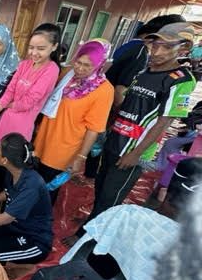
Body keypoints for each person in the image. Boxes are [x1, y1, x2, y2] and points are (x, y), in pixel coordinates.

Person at [82, 22, 197, 227]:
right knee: (100, 188)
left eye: (166, 47)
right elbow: (126, 106)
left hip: (132, 150)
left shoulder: (180, 80)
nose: (157, 52)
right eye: (155, 45)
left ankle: (90, 238)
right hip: (114, 141)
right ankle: (91, 224)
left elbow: (164, 122)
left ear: (184, 48)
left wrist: (136, 154)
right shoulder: (144, 73)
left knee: (111, 197)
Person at [35, 39, 115, 203]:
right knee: (33, 182)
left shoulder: (104, 90)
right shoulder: (68, 75)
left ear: (100, 64)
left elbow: (94, 128)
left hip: (64, 148)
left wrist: (81, 157)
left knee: (46, 192)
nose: (80, 68)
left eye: (87, 65)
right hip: (44, 139)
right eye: (78, 62)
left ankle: (37, 223)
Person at [0, 23, 60, 191]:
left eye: (41, 48)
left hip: (20, 129)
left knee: (10, 173)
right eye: (31, 47)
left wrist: (7, 105)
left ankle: (6, 205)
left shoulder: (51, 69)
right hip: (4, 123)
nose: (34, 53)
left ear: (54, 47)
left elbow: (29, 102)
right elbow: (9, 91)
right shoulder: (24, 64)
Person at [0, 133, 53, 264]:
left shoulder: (32, 185)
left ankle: (20, 267)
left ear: (4, 160)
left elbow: (6, 217)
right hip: (13, 227)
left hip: (33, 241)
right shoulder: (14, 171)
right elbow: (9, 192)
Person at [106, 14, 185, 108]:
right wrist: (125, 114)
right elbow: (120, 90)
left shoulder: (141, 50)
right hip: (112, 107)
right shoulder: (140, 52)